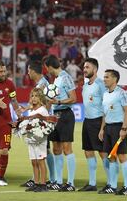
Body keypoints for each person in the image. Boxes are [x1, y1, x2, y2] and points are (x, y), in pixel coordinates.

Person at [44, 55, 77, 191]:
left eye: (47, 68)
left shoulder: (65, 77)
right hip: (55, 116)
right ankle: (57, 181)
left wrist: (58, 102)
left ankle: (70, 183)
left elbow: (73, 98)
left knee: (66, 148)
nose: (46, 70)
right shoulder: (56, 80)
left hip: (65, 115)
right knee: (56, 149)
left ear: (50, 66)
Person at [99, 69, 127, 195]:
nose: (104, 79)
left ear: (114, 79)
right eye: (104, 76)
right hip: (108, 127)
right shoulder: (106, 94)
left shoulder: (121, 93)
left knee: (122, 156)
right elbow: (104, 113)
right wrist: (102, 128)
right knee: (111, 157)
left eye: (107, 77)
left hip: (119, 127)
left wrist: (124, 128)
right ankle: (112, 186)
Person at [23, 60, 55, 188]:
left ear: (33, 71)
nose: (28, 73)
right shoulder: (42, 83)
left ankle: (47, 180)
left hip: (41, 125)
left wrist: (25, 110)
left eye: (28, 71)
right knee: (40, 154)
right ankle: (39, 180)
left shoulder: (42, 84)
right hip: (38, 124)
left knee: (43, 153)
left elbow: (40, 103)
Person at [78, 58, 108, 192]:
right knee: (88, 152)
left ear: (95, 69)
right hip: (87, 121)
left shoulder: (100, 84)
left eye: (87, 67)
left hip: (98, 122)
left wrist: (102, 127)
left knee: (103, 153)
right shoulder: (85, 85)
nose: (84, 70)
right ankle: (92, 183)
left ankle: (111, 183)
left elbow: (106, 105)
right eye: (84, 67)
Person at [23, 88, 49, 192]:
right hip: (31, 138)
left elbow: (47, 125)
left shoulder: (42, 110)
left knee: (40, 161)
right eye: (32, 96)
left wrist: (39, 134)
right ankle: (36, 183)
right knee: (34, 161)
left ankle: (43, 184)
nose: (34, 98)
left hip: (40, 140)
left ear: (40, 98)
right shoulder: (31, 110)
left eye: (36, 96)